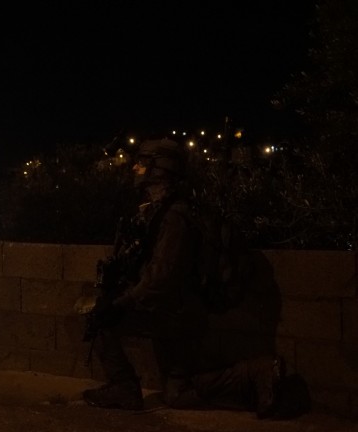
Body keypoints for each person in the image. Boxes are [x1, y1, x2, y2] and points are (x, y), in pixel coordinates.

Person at [82, 138, 289, 418]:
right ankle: (258, 373)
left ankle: (123, 387)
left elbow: (160, 279)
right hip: (174, 313)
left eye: (142, 164)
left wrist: (118, 305)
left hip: (174, 315)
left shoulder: (174, 217)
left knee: (102, 319)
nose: (135, 169)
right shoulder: (156, 212)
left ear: (158, 170)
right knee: (177, 394)